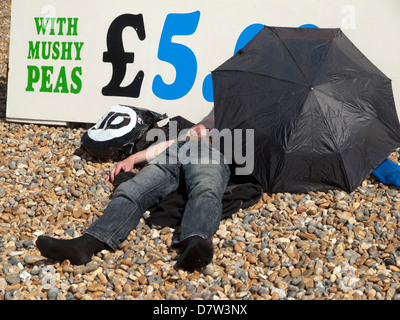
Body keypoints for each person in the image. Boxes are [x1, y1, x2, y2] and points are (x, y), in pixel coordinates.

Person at [36, 109, 231, 272]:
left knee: (205, 187)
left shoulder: (245, 118)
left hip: (210, 153)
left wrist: (214, 139)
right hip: (177, 150)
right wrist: (132, 159)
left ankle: (194, 243)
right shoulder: (221, 105)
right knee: (131, 190)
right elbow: (172, 143)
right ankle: (86, 244)